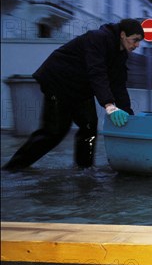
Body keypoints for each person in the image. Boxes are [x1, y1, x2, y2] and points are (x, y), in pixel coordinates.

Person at [2, 18, 144, 171]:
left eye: (139, 41)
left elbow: (118, 85)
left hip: (80, 88)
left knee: (89, 126)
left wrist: (129, 115)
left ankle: (84, 169)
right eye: (135, 40)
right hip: (58, 82)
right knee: (54, 131)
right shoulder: (97, 38)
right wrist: (109, 105)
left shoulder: (120, 54)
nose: (137, 45)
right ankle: (13, 168)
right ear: (123, 34)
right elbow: (97, 72)